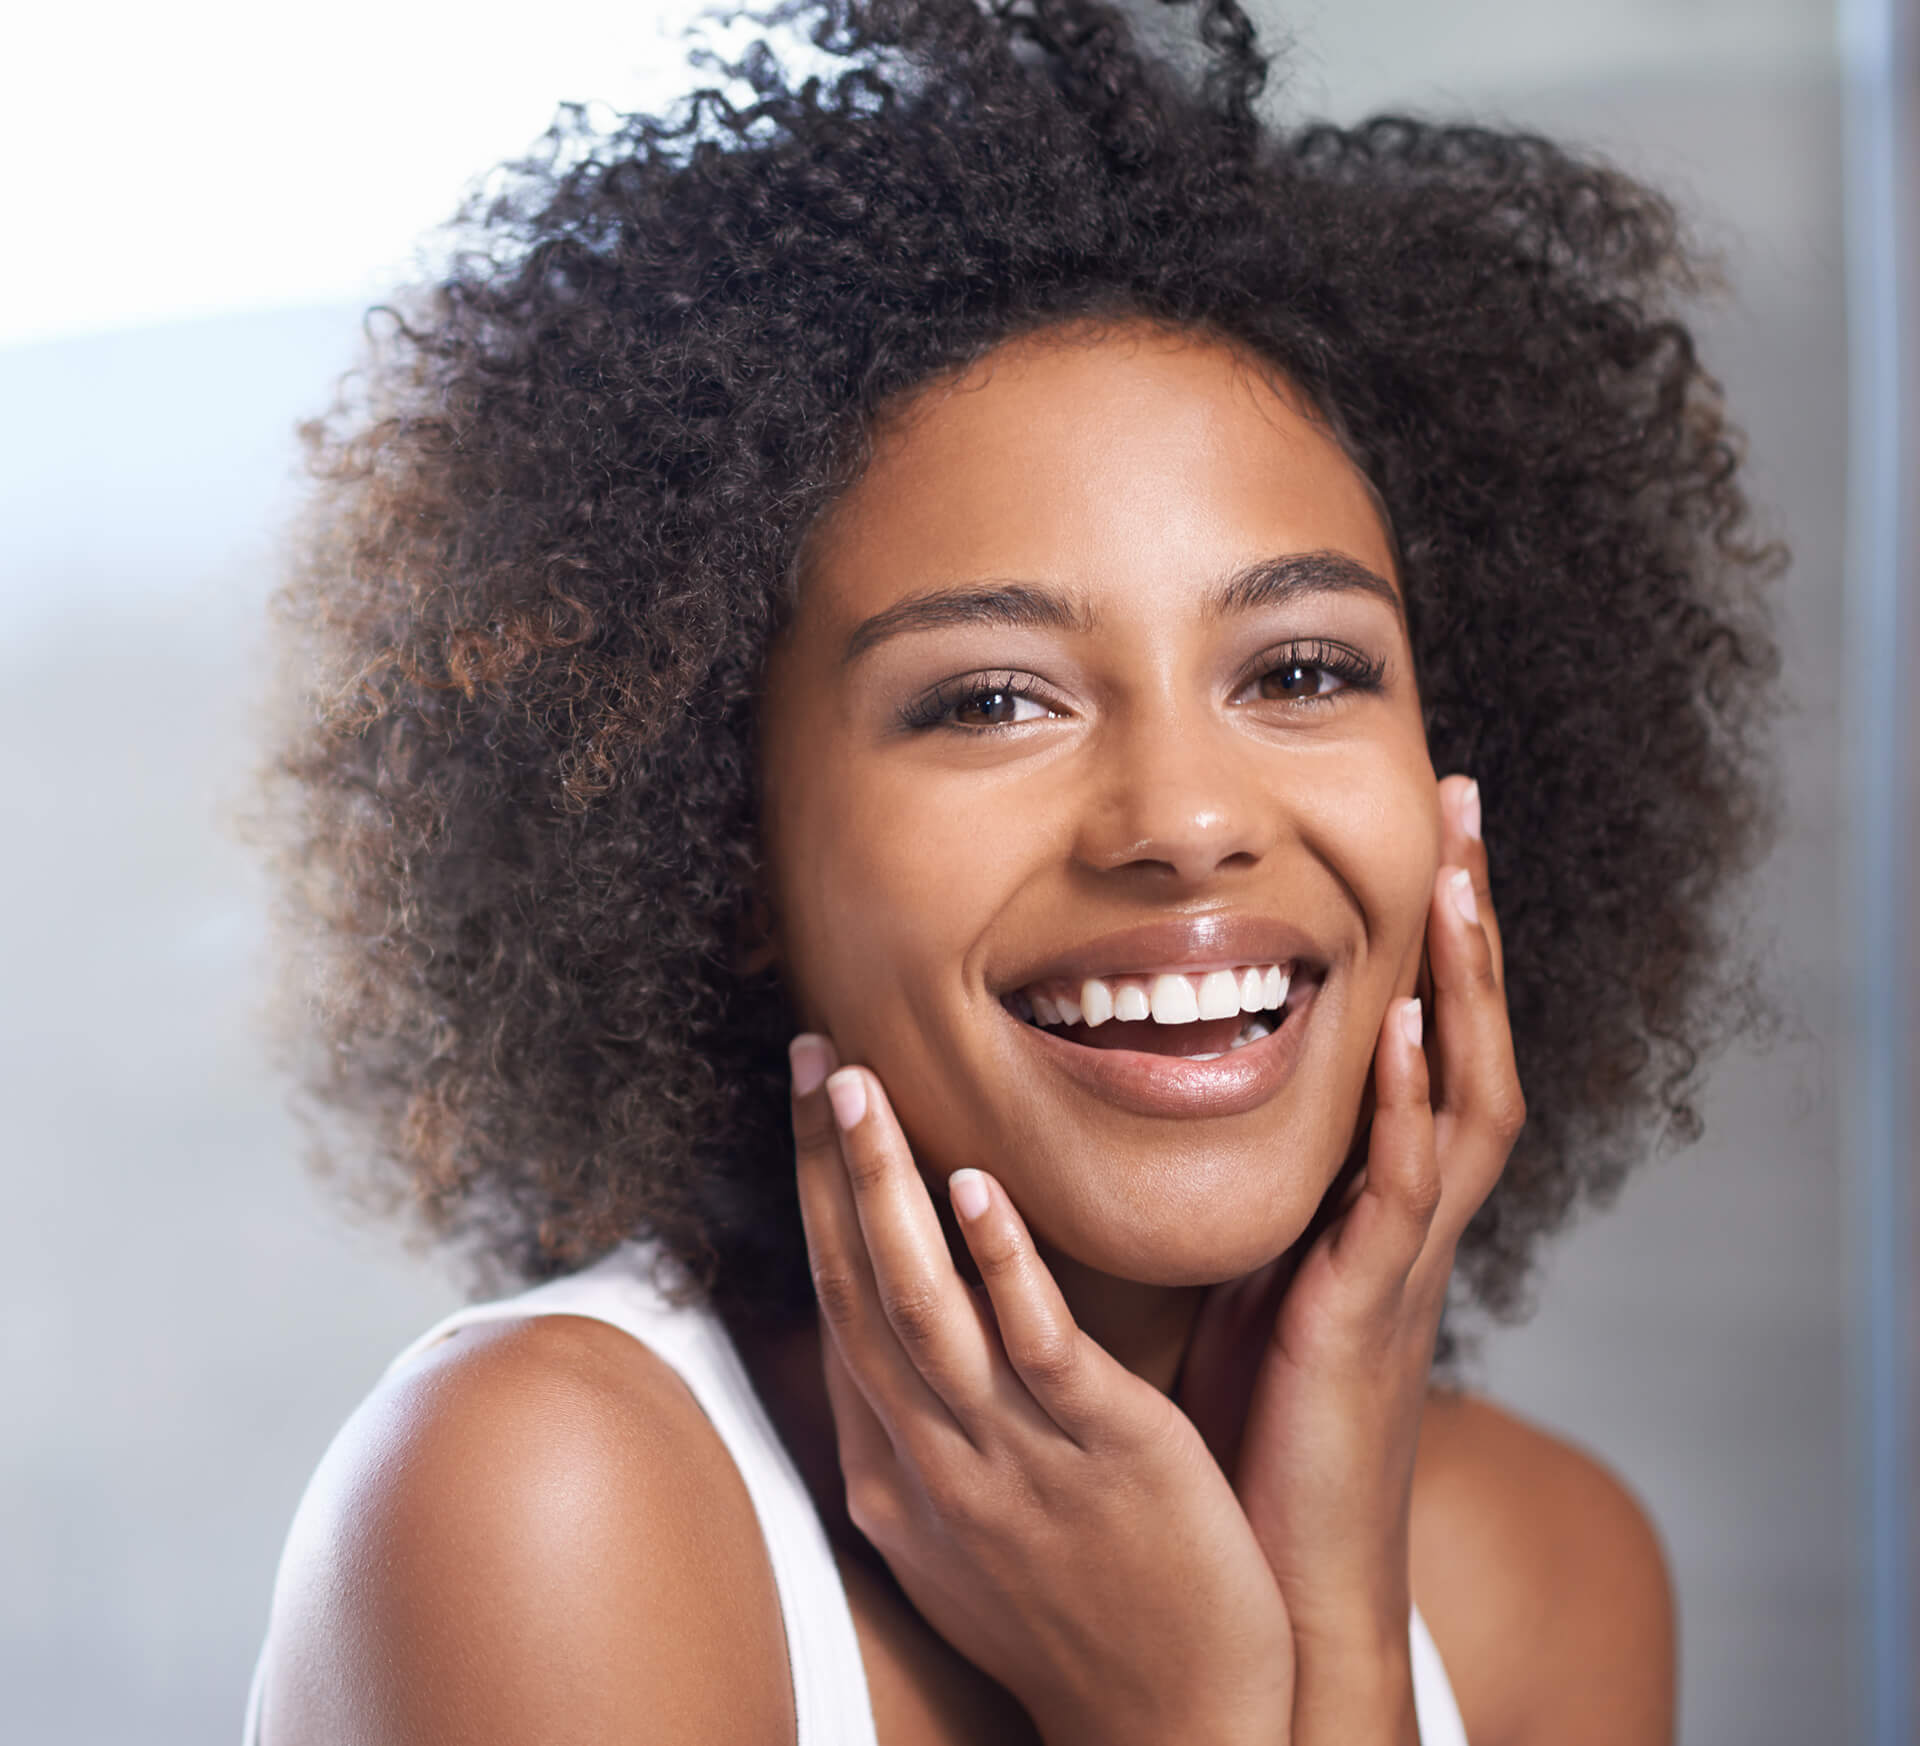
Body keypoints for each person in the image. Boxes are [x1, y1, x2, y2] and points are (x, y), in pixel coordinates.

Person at [244, 1, 1779, 1740]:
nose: (1187, 820)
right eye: (989, 697)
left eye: (1299, 669)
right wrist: (1191, 1710)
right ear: (727, 846)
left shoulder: (1544, 1573)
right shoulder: (541, 1504)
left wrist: (1334, 1620)